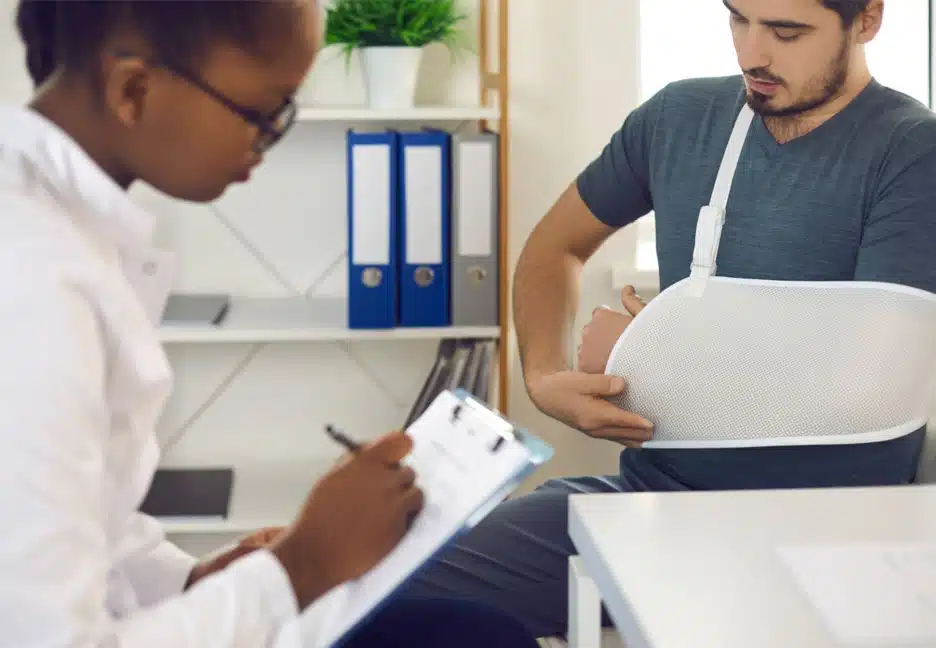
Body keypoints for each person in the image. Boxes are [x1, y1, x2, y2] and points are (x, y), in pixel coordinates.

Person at [0, 1, 540, 647]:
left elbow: (86, 528)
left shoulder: (62, 221)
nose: (267, 141)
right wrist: (302, 565)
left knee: (471, 631)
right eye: (264, 112)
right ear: (135, 89)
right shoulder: (33, 282)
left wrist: (196, 581)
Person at [403, 0, 936, 638]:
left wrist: (652, 353)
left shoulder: (913, 151)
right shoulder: (678, 118)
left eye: (786, 32)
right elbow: (554, 248)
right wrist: (544, 377)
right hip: (650, 503)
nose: (752, 54)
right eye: (738, 20)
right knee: (376, 590)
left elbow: (864, 388)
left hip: (826, 528)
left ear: (867, 20)